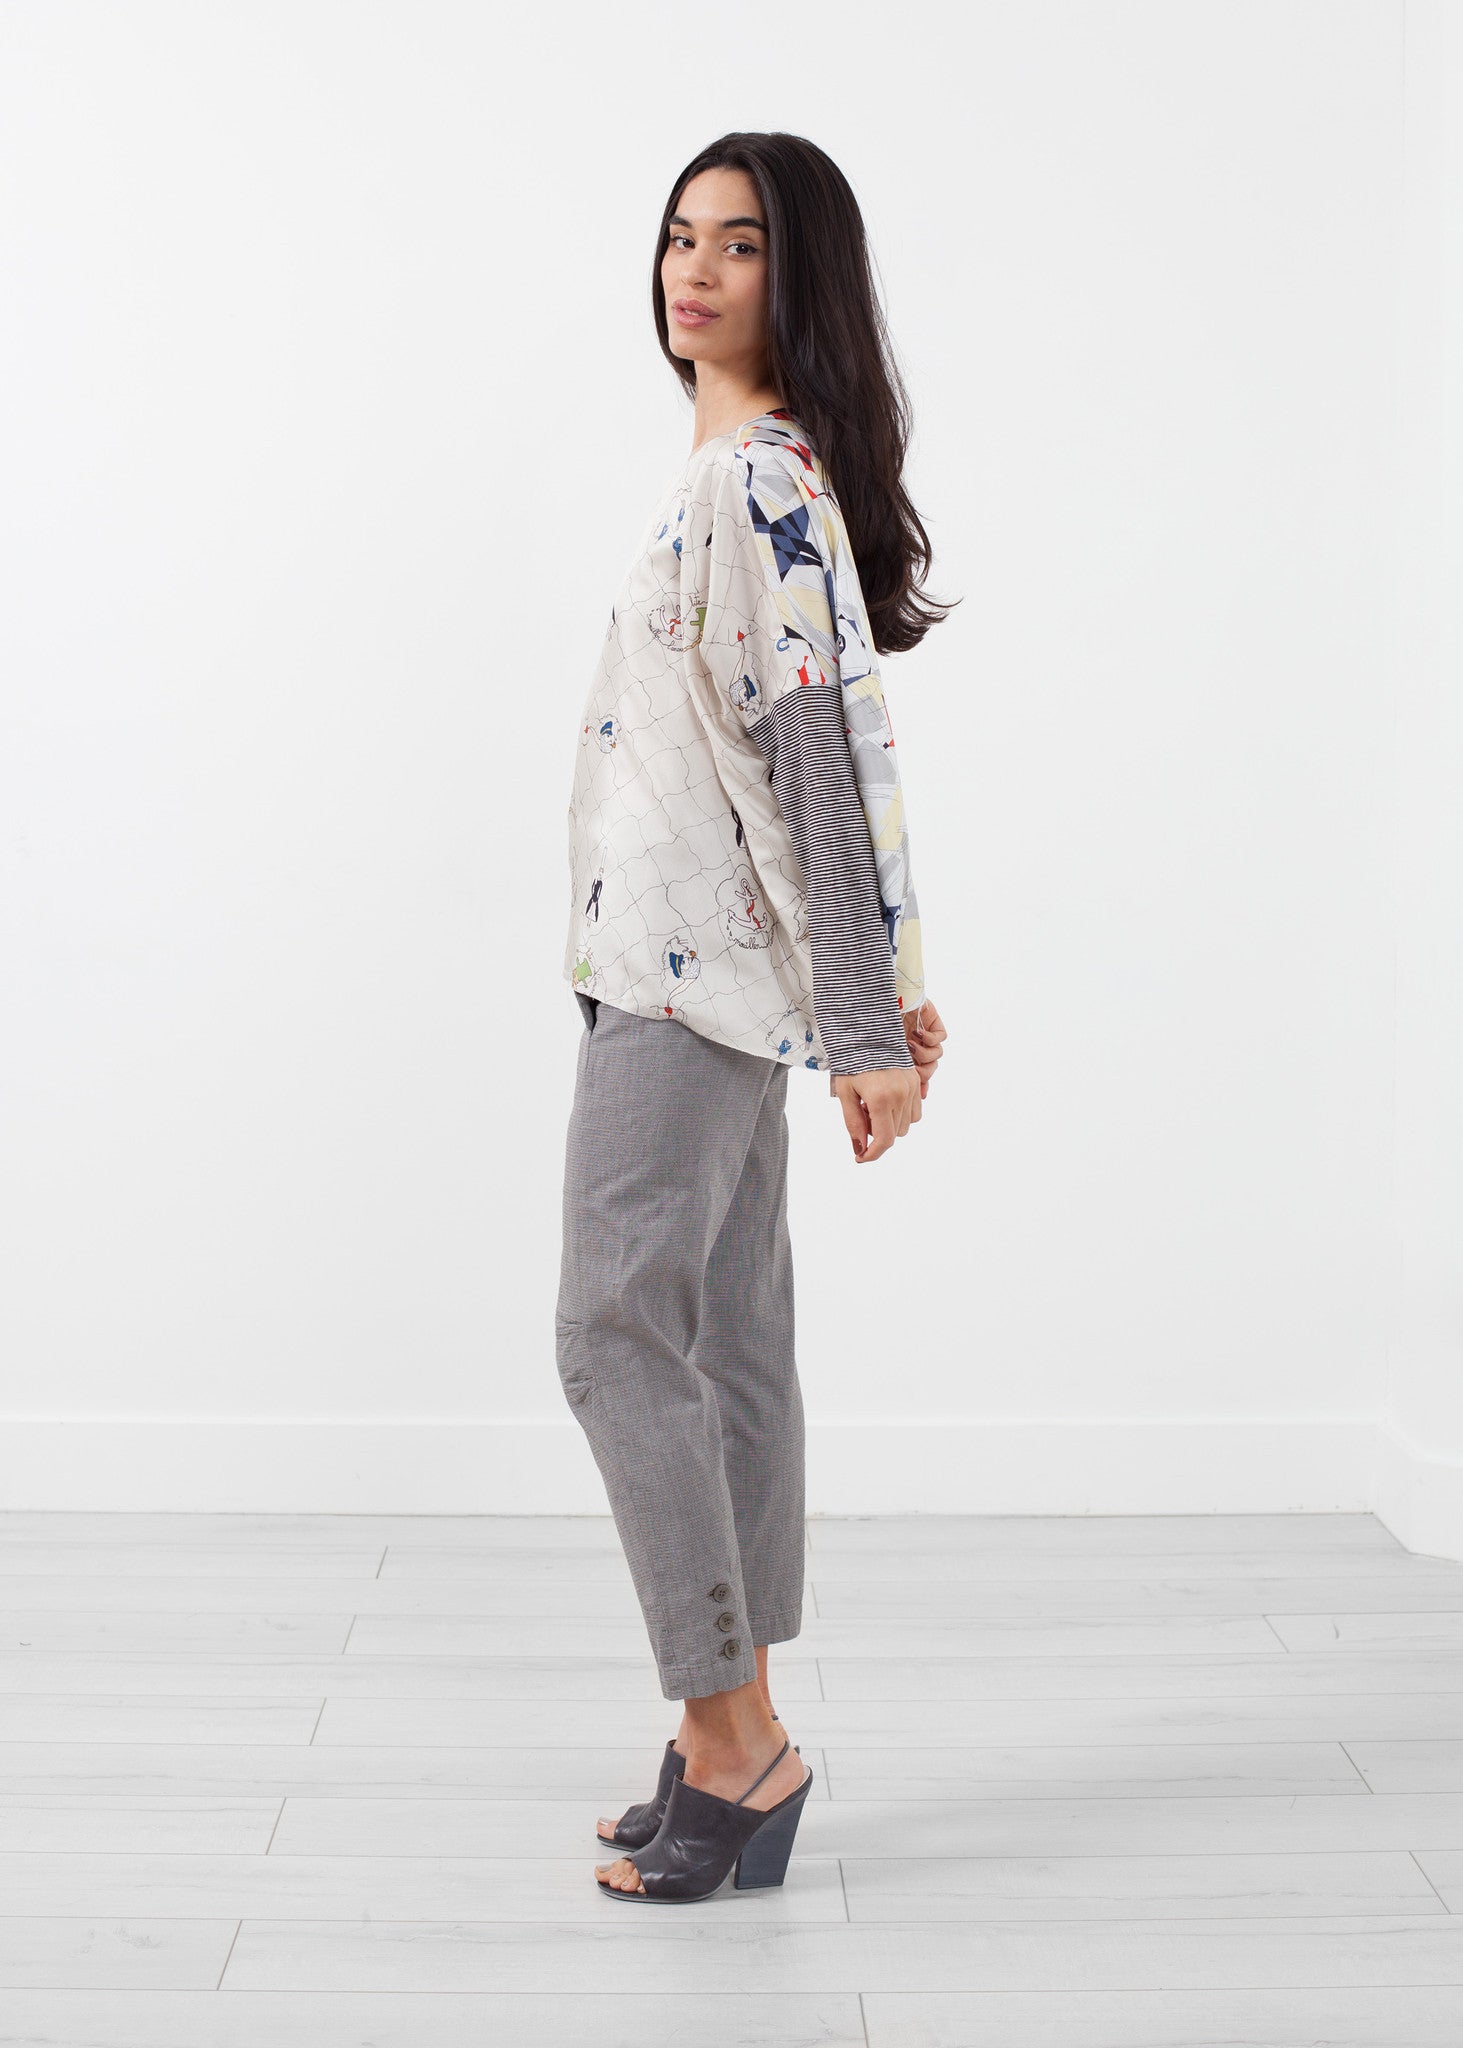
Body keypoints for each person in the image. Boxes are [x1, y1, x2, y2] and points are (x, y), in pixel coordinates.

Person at [556, 130, 953, 1904]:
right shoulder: (752, 470)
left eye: (740, 244)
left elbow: (816, 766)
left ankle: (734, 1743)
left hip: (682, 983)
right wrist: (881, 996)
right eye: (680, 237)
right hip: (684, 970)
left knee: (612, 1331)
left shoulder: (752, 479)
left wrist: (868, 1024)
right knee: (725, 1340)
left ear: (803, 279)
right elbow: (835, 749)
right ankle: (734, 1730)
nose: (695, 271)